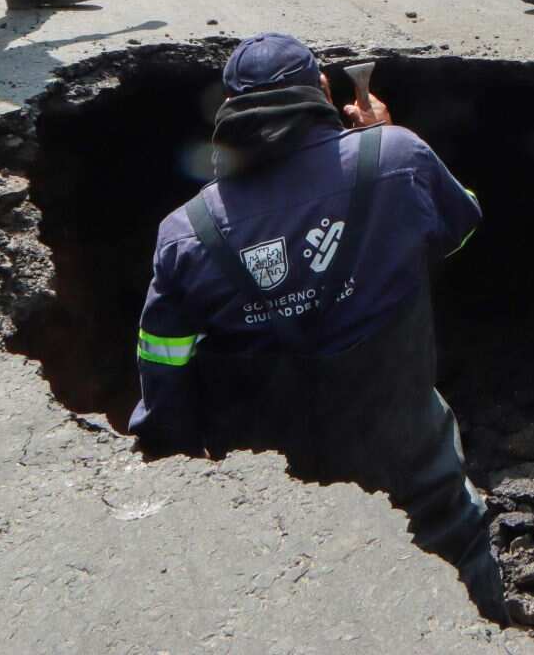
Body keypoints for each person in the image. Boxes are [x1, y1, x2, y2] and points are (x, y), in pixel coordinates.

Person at [128, 34, 506, 624]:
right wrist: (375, 142)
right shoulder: (395, 157)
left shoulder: (186, 231)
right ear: (325, 91)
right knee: (457, 544)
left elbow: (164, 361)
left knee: (298, 600)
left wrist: (175, 451)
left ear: (229, 108)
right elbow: (457, 230)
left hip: (275, 477)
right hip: (404, 449)